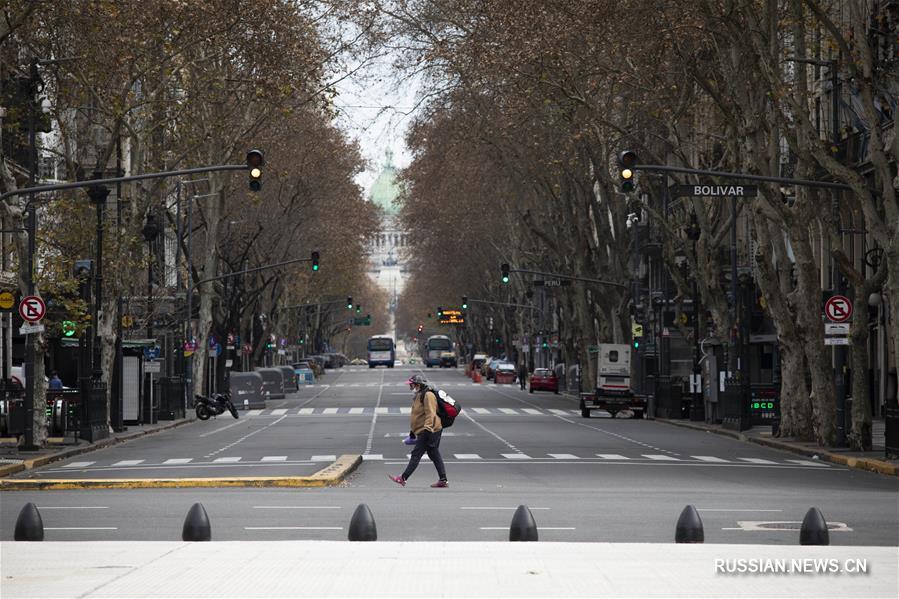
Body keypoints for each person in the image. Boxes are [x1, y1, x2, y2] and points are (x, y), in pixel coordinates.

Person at [389, 374, 448, 488]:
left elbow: (431, 413)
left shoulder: (428, 395)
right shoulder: (419, 395)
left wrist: (428, 429)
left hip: (430, 430)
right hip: (425, 430)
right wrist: (413, 431)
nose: (410, 386)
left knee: (416, 454)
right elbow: (417, 415)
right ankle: (443, 480)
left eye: (411, 384)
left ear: (418, 384)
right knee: (433, 453)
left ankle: (403, 478)